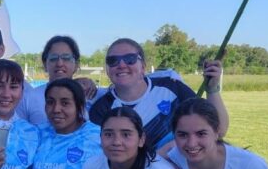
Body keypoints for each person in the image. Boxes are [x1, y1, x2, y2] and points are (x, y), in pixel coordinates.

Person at [89, 38, 228, 152]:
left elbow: (219, 130)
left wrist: (212, 89)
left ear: (143, 66)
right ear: (107, 70)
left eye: (130, 59)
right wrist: (163, 155)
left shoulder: (172, 87)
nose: (121, 65)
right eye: (112, 61)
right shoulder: (100, 111)